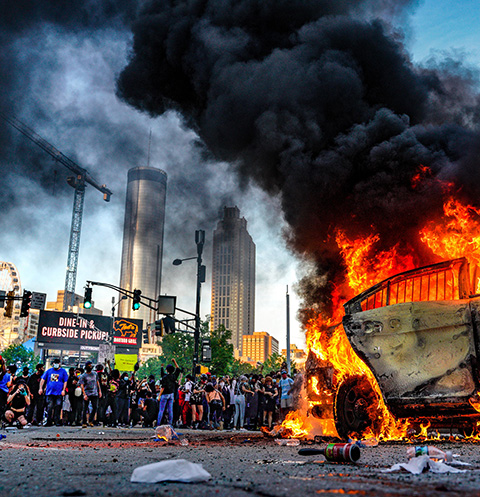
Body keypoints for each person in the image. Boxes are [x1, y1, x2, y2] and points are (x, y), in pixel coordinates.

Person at [39, 358, 68, 426]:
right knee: (49, 407)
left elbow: (65, 381)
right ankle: (49, 421)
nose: (56, 364)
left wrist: (63, 390)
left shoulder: (63, 371)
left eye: (57, 363)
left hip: (59, 393)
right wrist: (40, 388)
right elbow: (43, 379)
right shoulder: (49, 371)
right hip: (50, 392)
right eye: (55, 363)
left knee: (58, 406)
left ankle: (57, 421)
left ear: (59, 364)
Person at [156, 359, 181, 426]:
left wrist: (159, 396)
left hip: (164, 395)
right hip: (171, 394)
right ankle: (170, 424)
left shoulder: (165, 377)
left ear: (166, 370)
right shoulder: (174, 377)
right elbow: (178, 369)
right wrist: (174, 361)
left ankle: (158, 424)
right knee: (170, 410)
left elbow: (163, 387)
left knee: (161, 410)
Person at [79, 360, 102, 427]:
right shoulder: (83, 376)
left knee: (95, 407)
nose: (90, 367)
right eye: (89, 365)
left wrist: (99, 391)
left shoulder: (95, 374)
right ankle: (84, 422)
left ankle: (90, 420)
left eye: (91, 365)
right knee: (85, 408)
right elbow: (82, 385)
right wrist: (84, 394)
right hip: (87, 393)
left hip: (94, 393)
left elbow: (97, 383)